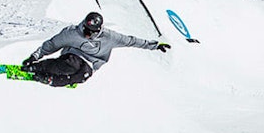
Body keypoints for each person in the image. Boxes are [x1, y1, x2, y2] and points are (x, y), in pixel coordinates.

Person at [21, 12, 171, 87]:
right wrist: (34, 57)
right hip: (72, 56)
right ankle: (37, 68)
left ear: (98, 31)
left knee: (82, 76)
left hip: (91, 64)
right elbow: (51, 44)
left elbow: (131, 41)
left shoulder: (110, 37)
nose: (86, 35)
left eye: (90, 33)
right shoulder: (72, 33)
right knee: (71, 65)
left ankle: (50, 80)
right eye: (85, 30)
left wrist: (155, 45)